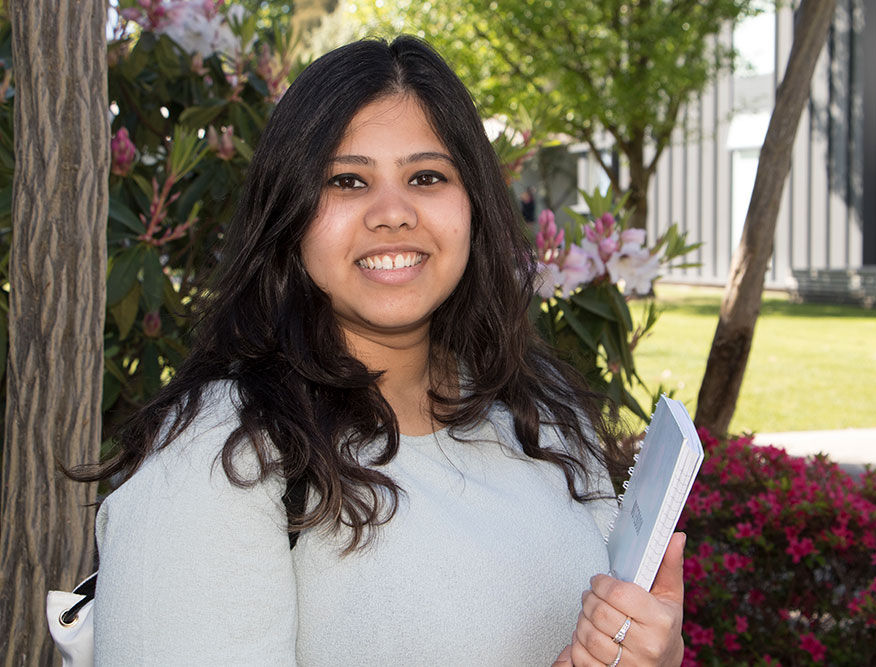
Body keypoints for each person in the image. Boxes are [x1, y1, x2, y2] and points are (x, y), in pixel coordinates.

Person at [82, 36, 685, 666]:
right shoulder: (220, 458)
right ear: (289, 215)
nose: (393, 213)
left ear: (472, 205)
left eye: (426, 177)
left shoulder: (544, 412)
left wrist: (650, 653)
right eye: (347, 180)